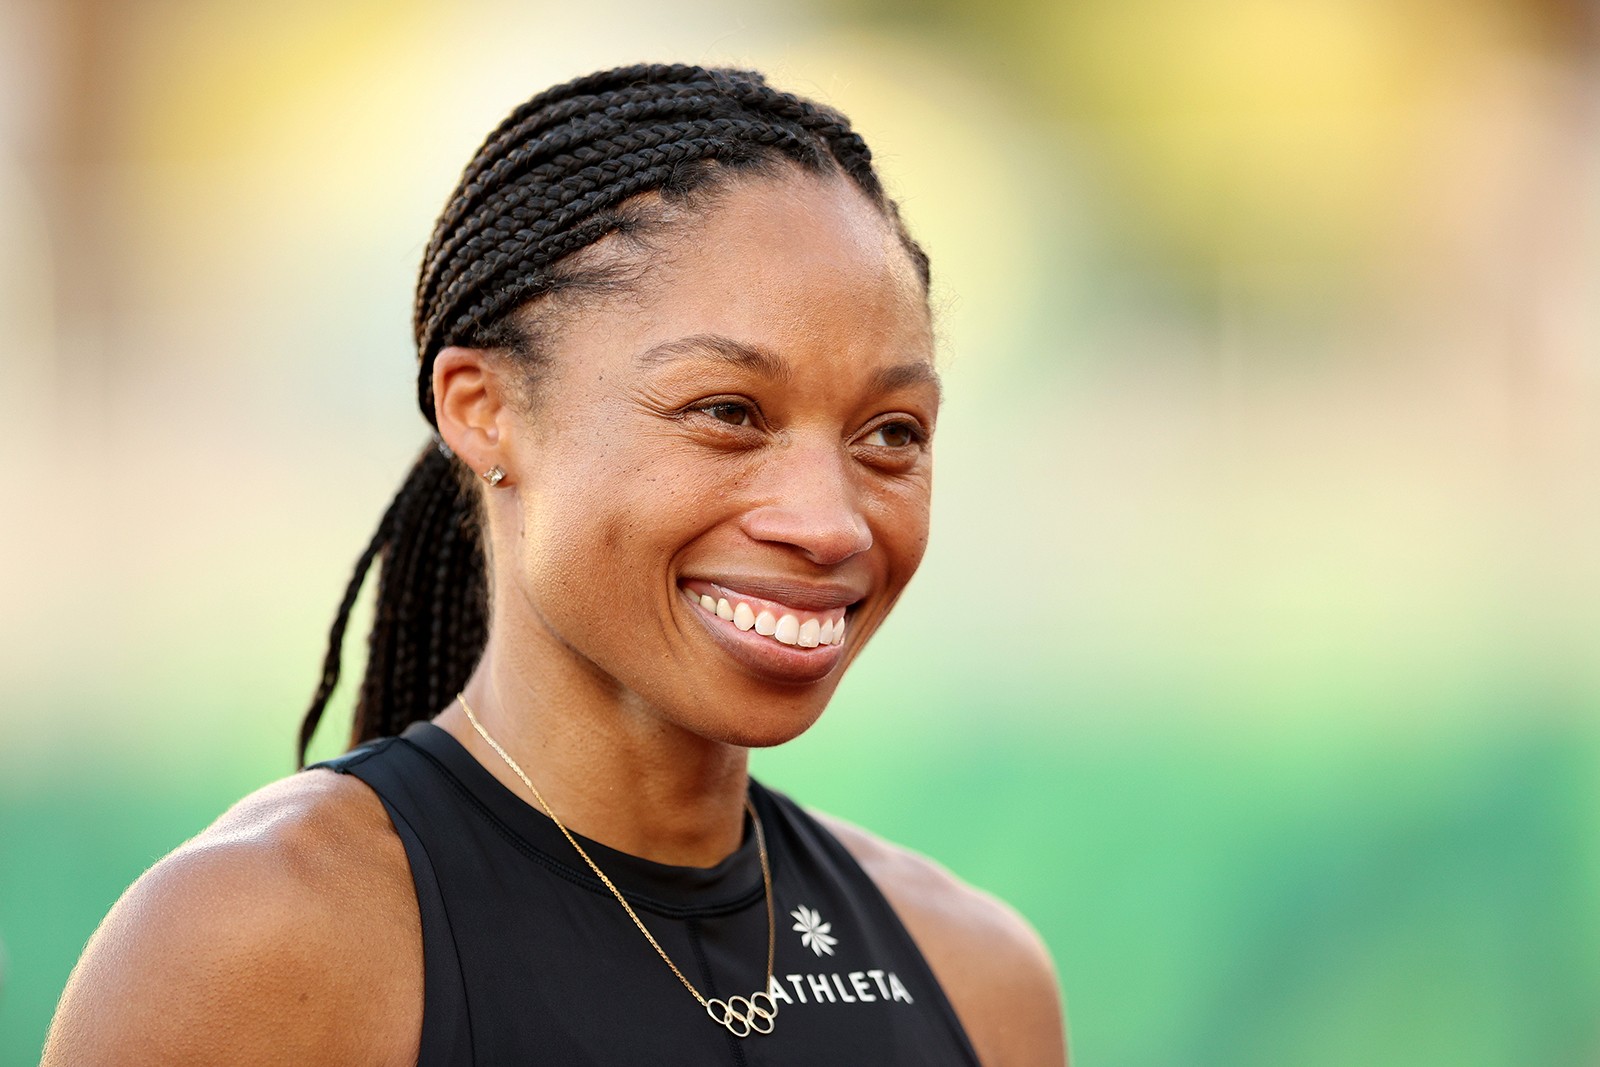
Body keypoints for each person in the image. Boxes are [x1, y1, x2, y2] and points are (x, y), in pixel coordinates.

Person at [41, 64, 1067, 1066]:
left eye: (889, 432)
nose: (830, 522)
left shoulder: (973, 974)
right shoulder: (258, 947)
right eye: (726, 412)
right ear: (483, 412)